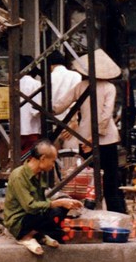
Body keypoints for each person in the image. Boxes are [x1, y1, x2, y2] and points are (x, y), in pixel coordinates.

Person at [53, 49, 126, 214]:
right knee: (110, 178)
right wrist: (95, 137)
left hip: (84, 137)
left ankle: (88, 210)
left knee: (88, 178)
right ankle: (117, 214)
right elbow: (106, 116)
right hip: (106, 138)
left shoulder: (80, 86)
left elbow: (58, 107)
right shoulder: (109, 87)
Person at [4, 139, 83, 255]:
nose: (53, 165)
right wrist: (55, 203)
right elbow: (30, 206)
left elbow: (42, 202)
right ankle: (25, 237)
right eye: (52, 161)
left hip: (34, 216)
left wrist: (63, 202)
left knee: (60, 212)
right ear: (43, 159)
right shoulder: (18, 176)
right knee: (52, 211)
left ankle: (38, 234)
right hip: (20, 221)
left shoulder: (39, 174)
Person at [48, 51, 82, 151]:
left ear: (50, 66)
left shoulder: (48, 78)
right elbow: (76, 101)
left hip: (52, 123)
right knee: (71, 158)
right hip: (70, 124)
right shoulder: (76, 76)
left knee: (52, 159)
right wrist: (74, 122)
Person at [19, 56, 42, 155]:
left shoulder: (14, 84)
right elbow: (35, 110)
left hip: (17, 128)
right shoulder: (35, 84)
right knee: (31, 155)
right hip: (32, 128)